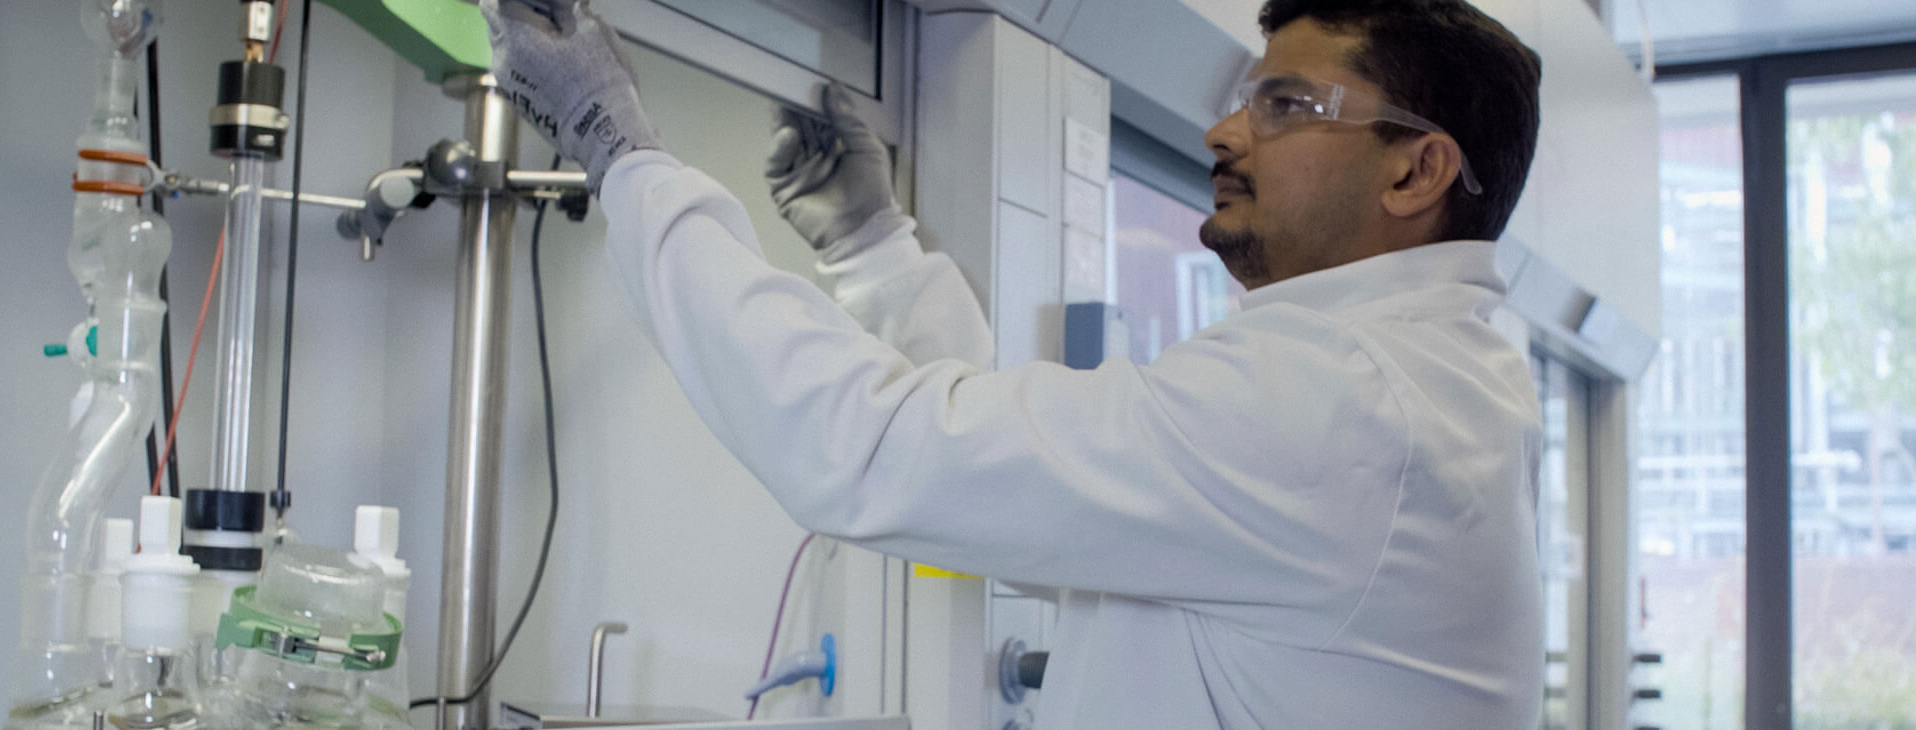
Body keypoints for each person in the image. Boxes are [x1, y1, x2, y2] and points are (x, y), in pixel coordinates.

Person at [480, 0, 1546, 726]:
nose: (1224, 131)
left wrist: (621, 154)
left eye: (1284, 105)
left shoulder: (1345, 402)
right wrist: (875, 253)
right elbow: (1029, 490)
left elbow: (881, 451)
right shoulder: (1414, 384)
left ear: (1417, 171)